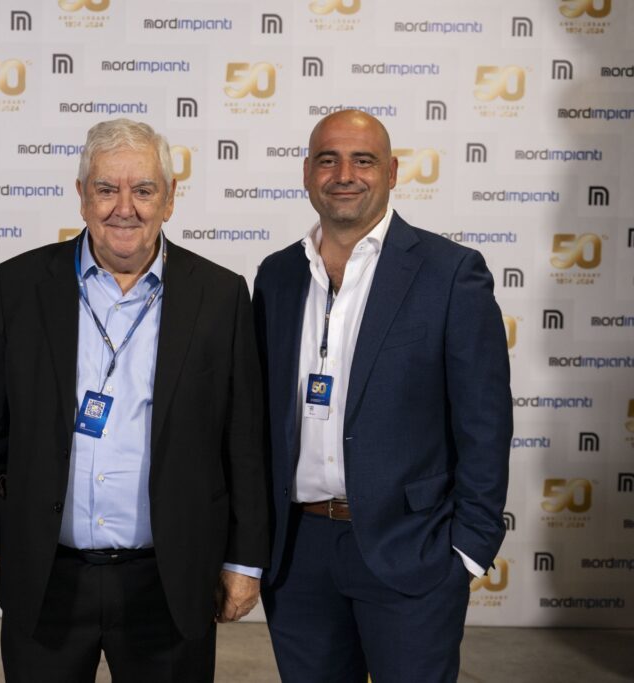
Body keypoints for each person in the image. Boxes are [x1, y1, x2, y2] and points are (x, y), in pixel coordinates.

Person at [0, 118, 268, 682]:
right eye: (106, 189)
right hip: (46, 578)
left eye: (143, 190)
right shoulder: (15, 288)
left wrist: (244, 561)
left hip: (168, 582)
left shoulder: (221, 296)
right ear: (82, 196)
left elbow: (243, 440)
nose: (125, 208)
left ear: (169, 199)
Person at [253, 109, 512, 682]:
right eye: (328, 160)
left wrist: (467, 550)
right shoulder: (276, 275)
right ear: (307, 173)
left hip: (412, 550)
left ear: (392, 172)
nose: (344, 174)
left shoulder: (450, 273)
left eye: (363, 160)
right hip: (297, 555)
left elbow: (485, 422)